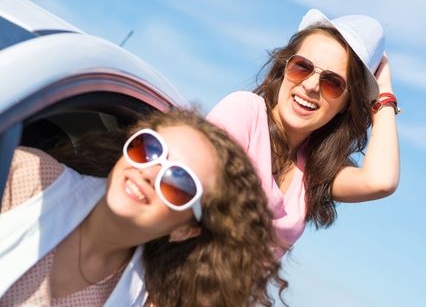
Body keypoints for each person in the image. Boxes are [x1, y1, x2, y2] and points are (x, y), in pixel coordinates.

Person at [0, 109, 287, 306]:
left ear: (185, 230)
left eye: (179, 182)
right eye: (148, 149)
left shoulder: (147, 299)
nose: (149, 172)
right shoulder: (27, 179)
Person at [207, 8, 400, 255]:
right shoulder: (244, 111)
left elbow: (380, 181)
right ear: (283, 68)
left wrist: (383, 93)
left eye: (333, 83)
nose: (310, 86)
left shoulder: (312, 171)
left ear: (346, 104)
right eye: (302, 67)